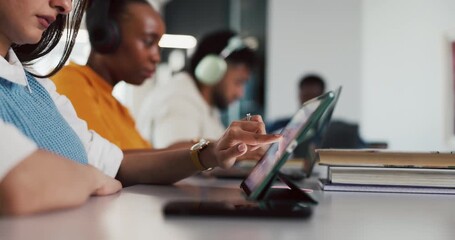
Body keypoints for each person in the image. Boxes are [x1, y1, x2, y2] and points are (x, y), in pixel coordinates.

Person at [0, 0, 280, 216]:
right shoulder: (70, 85)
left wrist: (210, 154)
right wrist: (90, 177)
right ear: (106, 37)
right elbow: (19, 183)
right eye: (148, 42)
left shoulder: (38, 88)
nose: (65, 5)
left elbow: (115, 164)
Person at [137, 30, 256, 148]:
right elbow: (176, 154)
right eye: (238, 82)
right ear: (213, 70)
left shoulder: (204, 103)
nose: (240, 94)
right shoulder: (179, 99)